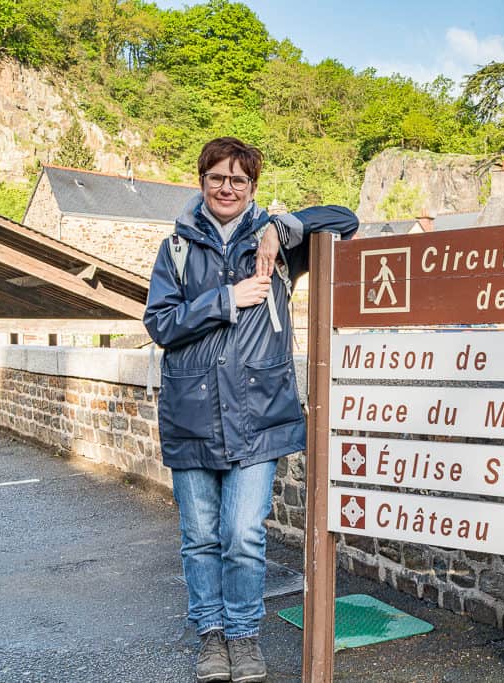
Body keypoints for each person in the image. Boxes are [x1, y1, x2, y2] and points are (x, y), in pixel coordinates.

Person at [144, 137, 357, 682]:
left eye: (239, 180)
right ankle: (211, 637)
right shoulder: (176, 249)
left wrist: (279, 227)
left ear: (253, 187)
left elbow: (345, 219)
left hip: (258, 415)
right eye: (218, 177)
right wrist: (225, 300)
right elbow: (160, 324)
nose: (227, 188)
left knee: (244, 534)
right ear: (202, 181)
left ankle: (244, 635)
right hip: (191, 415)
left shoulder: (278, 245)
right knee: (200, 538)